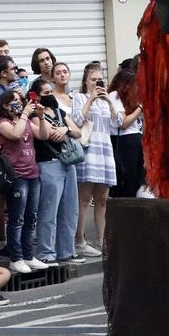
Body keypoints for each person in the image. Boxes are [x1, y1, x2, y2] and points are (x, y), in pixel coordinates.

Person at [30, 76, 79, 266]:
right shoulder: (36, 115)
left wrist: (66, 129)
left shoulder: (60, 111)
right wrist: (65, 131)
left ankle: (67, 251)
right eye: (46, 93)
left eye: (51, 92)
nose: (50, 95)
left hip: (68, 163)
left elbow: (77, 132)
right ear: (37, 96)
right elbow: (51, 135)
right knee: (49, 211)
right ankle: (46, 253)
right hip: (48, 164)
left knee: (69, 209)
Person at [72, 62, 120, 256]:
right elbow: (77, 120)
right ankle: (80, 239)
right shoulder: (80, 97)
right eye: (92, 80)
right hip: (89, 151)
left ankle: (102, 240)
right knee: (84, 198)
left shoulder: (107, 99)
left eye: (99, 80)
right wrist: (90, 99)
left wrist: (108, 101)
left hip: (105, 151)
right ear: (85, 81)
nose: (96, 83)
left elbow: (118, 123)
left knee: (102, 199)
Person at [0, 87, 41, 271]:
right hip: (17, 176)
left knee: (31, 216)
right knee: (17, 218)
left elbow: (43, 135)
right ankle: (16, 257)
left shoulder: (26, 120)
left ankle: (28, 255)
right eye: (14, 100)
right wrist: (24, 115)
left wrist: (42, 117)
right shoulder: (2, 123)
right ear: (5, 104)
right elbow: (15, 134)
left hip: (33, 173)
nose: (19, 103)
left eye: (20, 100)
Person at [106, 61, 145, 199]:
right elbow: (123, 123)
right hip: (124, 140)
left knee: (136, 180)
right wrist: (140, 108)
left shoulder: (129, 99)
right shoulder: (115, 96)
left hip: (134, 139)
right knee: (127, 180)